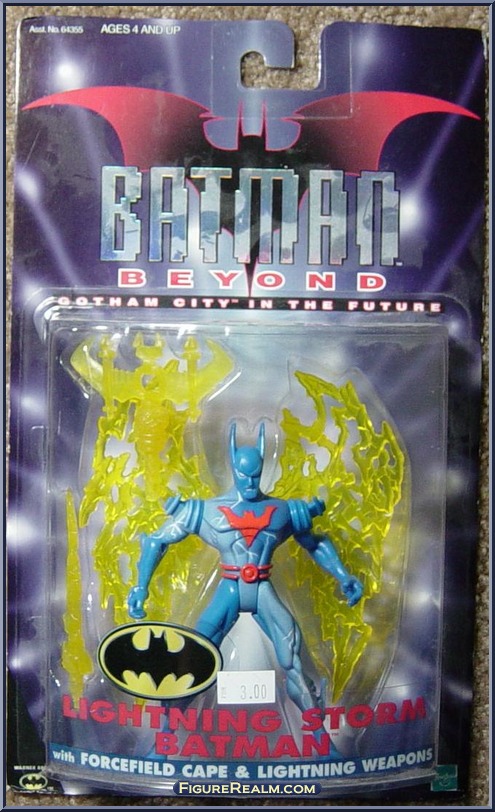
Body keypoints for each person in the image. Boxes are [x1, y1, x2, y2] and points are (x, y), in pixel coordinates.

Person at [128, 423, 363, 714]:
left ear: (262, 471)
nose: (250, 483)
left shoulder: (283, 511)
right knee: (197, 658)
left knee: (292, 660)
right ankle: (166, 729)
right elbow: (157, 541)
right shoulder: (207, 510)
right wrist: (140, 587)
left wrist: (343, 575)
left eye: (255, 476)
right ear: (233, 469)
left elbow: (314, 543)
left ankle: (317, 731)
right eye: (244, 475)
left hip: (262, 590)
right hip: (229, 589)